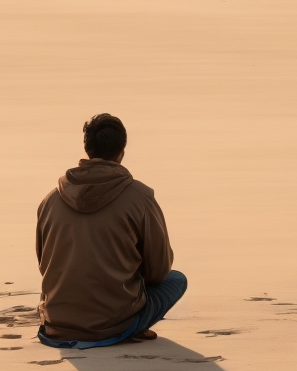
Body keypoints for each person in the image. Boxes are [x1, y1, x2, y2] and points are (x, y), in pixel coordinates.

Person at [34, 113, 186, 349]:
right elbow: (158, 271)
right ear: (121, 153)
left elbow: (45, 264)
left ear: (88, 151)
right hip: (115, 323)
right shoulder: (140, 197)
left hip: (58, 324)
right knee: (176, 280)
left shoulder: (50, 200)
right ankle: (129, 327)